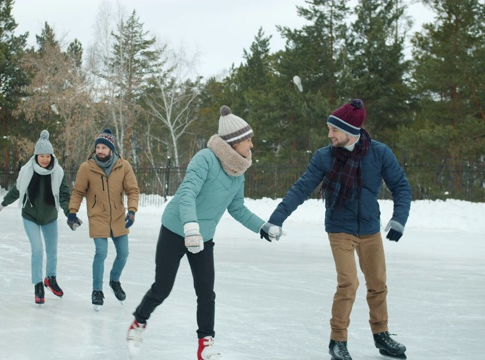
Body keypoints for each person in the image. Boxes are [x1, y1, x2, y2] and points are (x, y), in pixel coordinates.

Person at [261, 99, 411, 360]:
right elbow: (301, 188)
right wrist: (276, 219)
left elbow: (401, 186)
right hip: (340, 228)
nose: (329, 134)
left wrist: (399, 219)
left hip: (369, 228)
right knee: (348, 283)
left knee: (377, 283)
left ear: (351, 132)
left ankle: (381, 335)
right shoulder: (324, 157)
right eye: (329, 129)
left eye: (334, 130)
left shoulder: (379, 153)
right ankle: (337, 341)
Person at [126, 106, 275, 360]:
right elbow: (187, 194)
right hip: (176, 229)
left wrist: (262, 226)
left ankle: (205, 344)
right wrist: (190, 228)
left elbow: (237, 208)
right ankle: (139, 321)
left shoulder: (237, 174)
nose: (252, 145)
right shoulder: (205, 158)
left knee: (206, 292)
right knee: (162, 287)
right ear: (234, 142)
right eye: (248, 140)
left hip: (203, 239)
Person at [0, 130, 71, 305]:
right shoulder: (27, 171)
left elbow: (65, 195)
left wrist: (69, 214)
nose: (45, 159)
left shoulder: (57, 172)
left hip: (50, 216)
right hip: (30, 216)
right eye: (41, 155)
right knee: (37, 250)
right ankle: (38, 284)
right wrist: (4, 204)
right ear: (36, 156)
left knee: (52, 252)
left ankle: (50, 279)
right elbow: (17, 190)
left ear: (52, 156)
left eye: (48, 156)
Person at [67, 128, 140, 310]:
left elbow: (133, 190)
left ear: (111, 150)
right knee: (101, 252)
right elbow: (78, 191)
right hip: (97, 216)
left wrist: (131, 211)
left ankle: (114, 281)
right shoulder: (87, 168)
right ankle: (97, 291)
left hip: (117, 216)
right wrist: (72, 212)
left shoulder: (123, 166)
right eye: (98, 147)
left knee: (123, 253)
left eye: (104, 148)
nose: (100, 150)